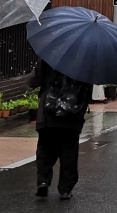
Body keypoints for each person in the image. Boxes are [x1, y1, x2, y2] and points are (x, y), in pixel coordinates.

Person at [29, 58, 92, 200]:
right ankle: (65, 189)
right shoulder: (85, 59)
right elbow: (88, 88)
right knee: (69, 151)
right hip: (72, 113)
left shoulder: (50, 55)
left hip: (48, 111)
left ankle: (43, 182)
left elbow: (33, 81)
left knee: (45, 148)